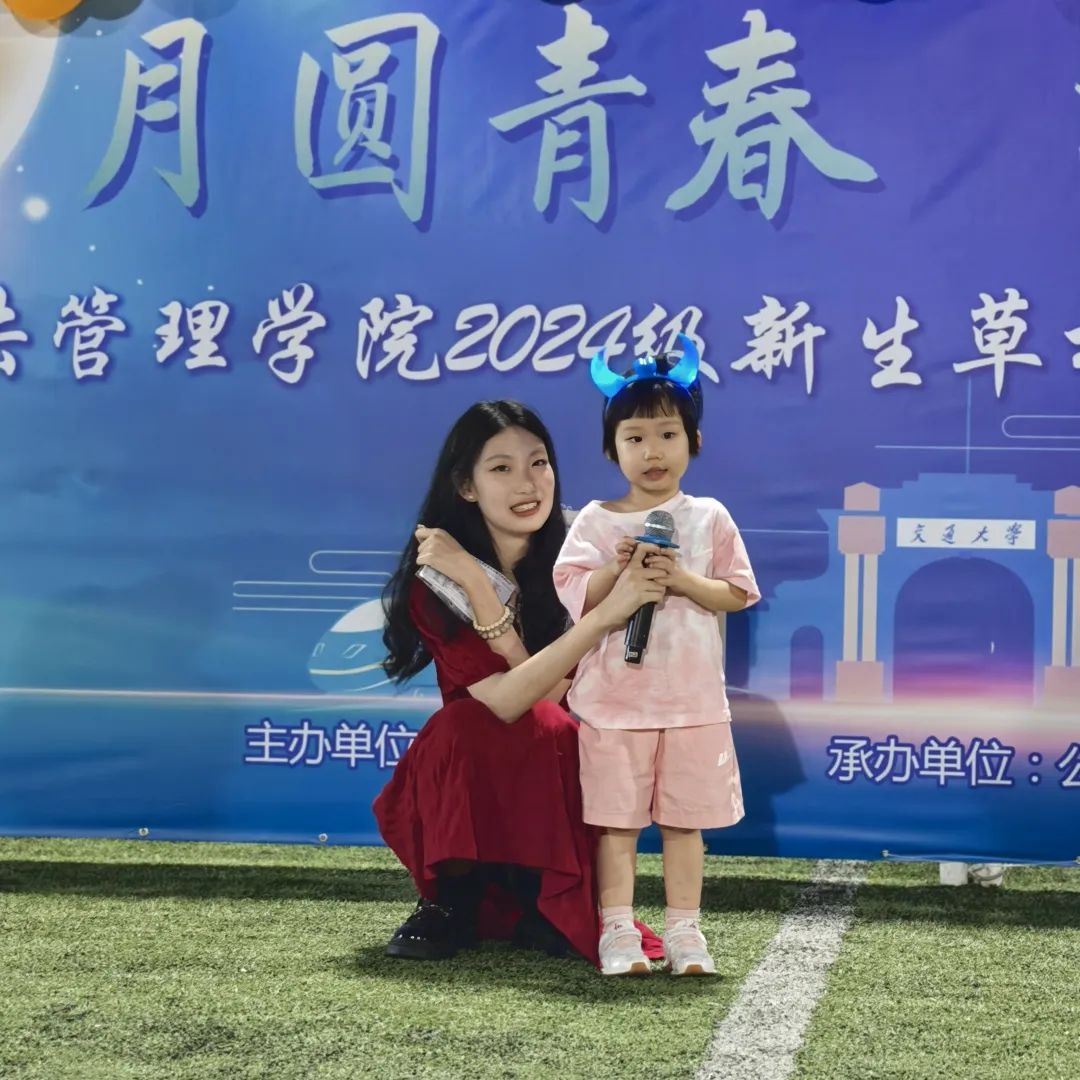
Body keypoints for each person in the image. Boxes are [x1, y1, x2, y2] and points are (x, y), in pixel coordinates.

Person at [373, 400, 665, 966]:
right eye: (501, 468)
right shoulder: (438, 581)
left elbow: (552, 698)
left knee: (555, 726)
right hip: (475, 771)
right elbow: (507, 702)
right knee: (461, 722)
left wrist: (489, 600)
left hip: (561, 763)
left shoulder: (584, 556)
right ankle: (450, 900)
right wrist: (475, 583)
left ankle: (544, 903)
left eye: (539, 463)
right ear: (466, 486)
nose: (528, 484)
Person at [553, 336, 761, 976]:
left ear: (693, 442)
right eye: (635, 438)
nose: (653, 451)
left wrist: (682, 581)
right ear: (611, 449)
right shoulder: (595, 520)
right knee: (616, 825)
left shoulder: (710, 517)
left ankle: (685, 932)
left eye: (668, 435)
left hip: (693, 703)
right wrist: (616, 574)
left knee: (683, 824)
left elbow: (737, 593)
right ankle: (617, 930)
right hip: (613, 705)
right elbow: (574, 593)